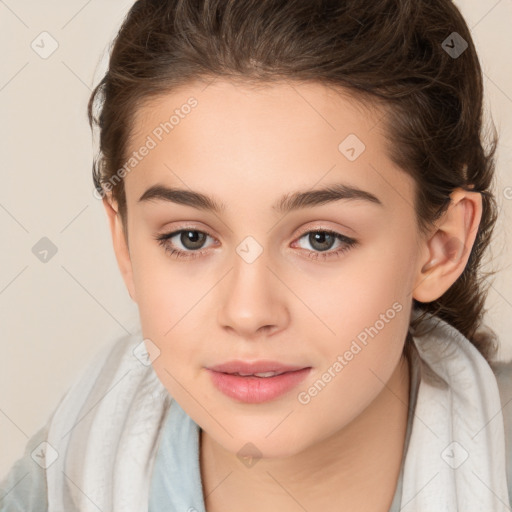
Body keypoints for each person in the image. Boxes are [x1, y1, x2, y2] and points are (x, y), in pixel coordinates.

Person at [1, 0, 511, 510]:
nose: (248, 313)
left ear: (440, 247)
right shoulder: (60, 480)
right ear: (126, 245)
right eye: (190, 238)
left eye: (321, 239)